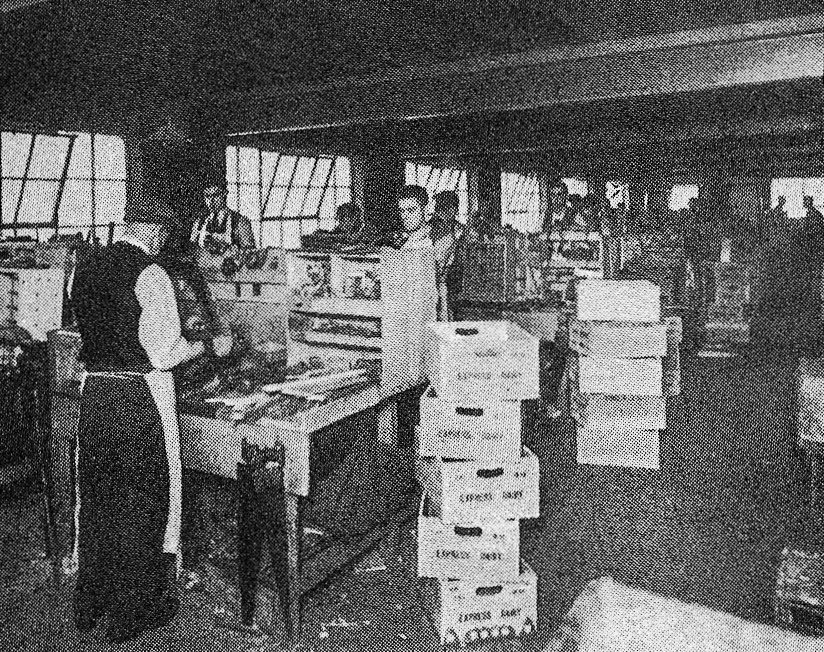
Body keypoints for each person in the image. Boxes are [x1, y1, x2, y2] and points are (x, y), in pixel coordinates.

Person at [70, 192, 234, 643]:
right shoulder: (151, 273)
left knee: (99, 497)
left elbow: (86, 328)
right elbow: (163, 352)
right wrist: (208, 346)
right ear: (155, 232)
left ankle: (92, 603)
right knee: (145, 500)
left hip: (95, 392)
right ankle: (135, 611)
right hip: (140, 394)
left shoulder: (83, 267)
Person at [430, 191, 464, 320]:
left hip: (449, 274)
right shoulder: (436, 228)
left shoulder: (456, 227)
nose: (453, 212)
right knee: (441, 306)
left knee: (448, 305)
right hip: (438, 274)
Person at [191, 182, 255, 249]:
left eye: (215, 195)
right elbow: (191, 252)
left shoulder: (240, 221)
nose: (211, 200)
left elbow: (249, 254)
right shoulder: (199, 223)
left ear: (225, 194)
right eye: (207, 196)